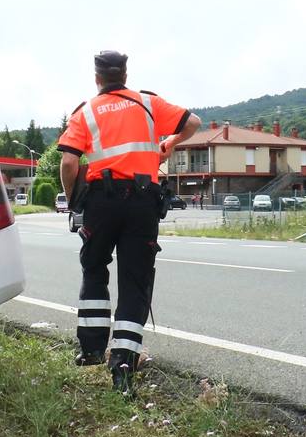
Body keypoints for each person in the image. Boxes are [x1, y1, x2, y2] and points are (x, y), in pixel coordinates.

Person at [58, 50, 202, 395]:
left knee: (94, 267)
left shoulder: (86, 112)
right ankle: (123, 362)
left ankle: (92, 349)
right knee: (135, 281)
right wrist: (168, 142)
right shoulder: (148, 104)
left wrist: (74, 201)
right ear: (125, 75)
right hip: (142, 201)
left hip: (101, 202)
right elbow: (193, 122)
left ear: (97, 79)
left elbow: (67, 163)